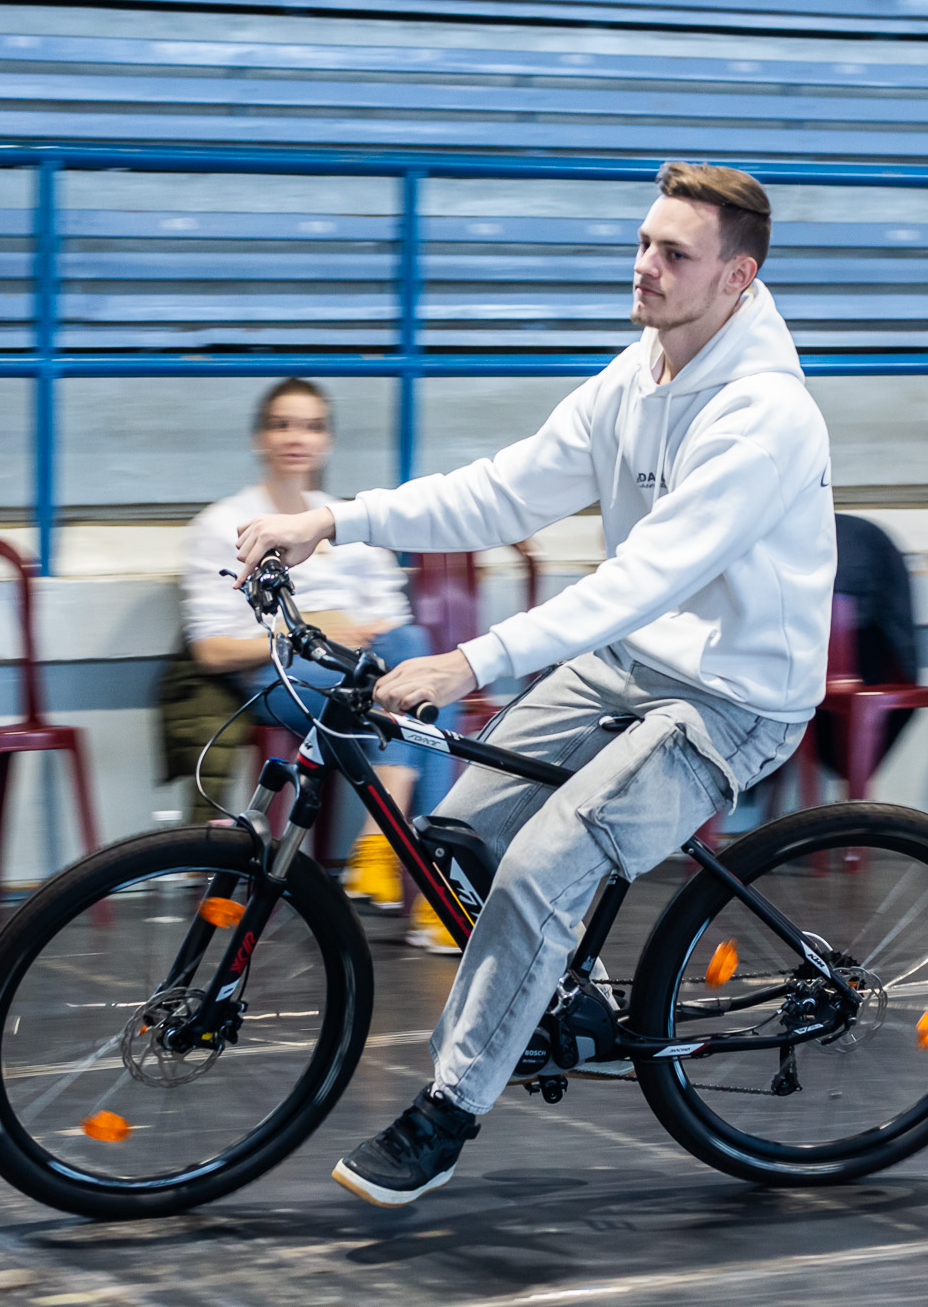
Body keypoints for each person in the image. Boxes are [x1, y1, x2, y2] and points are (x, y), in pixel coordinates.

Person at [235, 162, 834, 1207]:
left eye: (673, 253)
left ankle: (448, 1113)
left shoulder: (765, 416)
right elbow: (503, 491)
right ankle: (568, 992)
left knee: (540, 871)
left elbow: (644, 576)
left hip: (731, 695)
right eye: (643, 243)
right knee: (458, 836)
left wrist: (471, 660)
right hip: (633, 657)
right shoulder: (643, 370)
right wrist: (333, 519)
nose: (644, 266)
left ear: (735, 277)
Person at [181, 377, 461, 954]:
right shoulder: (222, 522)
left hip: (358, 664)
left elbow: (394, 620)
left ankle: (386, 856)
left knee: (416, 669)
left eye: (311, 427)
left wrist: (354, 634)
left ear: (327, 441)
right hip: (278, 676)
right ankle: (436, 894)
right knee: (412, 695)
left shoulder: (342, 519)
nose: (296, 438)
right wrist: (307, 629)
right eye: (282, 425)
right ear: (260, 438)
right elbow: (211, 649)